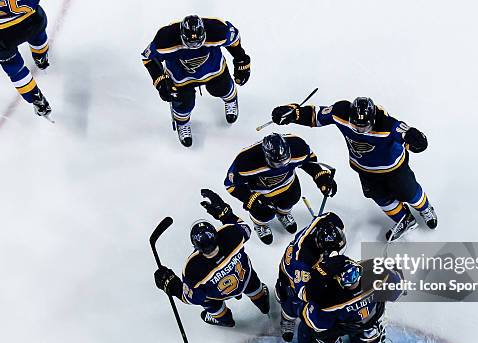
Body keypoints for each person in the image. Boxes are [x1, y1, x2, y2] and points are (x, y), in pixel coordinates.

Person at [271, 97, 437, 240]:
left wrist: (417, 140)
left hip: (394, 168)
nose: (359, 130)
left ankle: (425, 208)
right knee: (380, 197)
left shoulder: (387, 124)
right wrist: (294, 114)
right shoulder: (341, 112)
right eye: (356, 125)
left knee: (409, 192)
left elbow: (410, 137)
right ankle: (405, 219)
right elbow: (316, 115)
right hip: (365, 170)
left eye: (364, 127)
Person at [154, 189, 269, 327]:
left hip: (217, 295)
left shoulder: (193, 268)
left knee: (209, 302)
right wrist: (225, 214)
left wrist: (172, 285)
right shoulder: (231, 235)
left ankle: (226, 321)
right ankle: (263, 304)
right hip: (245, 279)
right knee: (256, 290)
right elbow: (245, 229)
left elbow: (191, 297)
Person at [142, 15, 251, 147]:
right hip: (181, 78)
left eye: (198, 42)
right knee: (184, 104)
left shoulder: (217, 30)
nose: (194, 47)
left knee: (222, 88)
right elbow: (148, 58)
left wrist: (241, 59)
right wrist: (160, 82)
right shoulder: (165, 38)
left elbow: (234, 40)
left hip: (213, 70)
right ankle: (182, 123)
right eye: (190, 44)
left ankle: (231, 100)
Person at [292, 255, 402, 343]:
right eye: (350, 278)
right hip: (370, 319)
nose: (354, 281)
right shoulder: (379, 278)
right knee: (370, 336)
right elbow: (397, 285)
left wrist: (302, 307)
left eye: (356, 274)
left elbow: (315, 323)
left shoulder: (331, 302)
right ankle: (369, 333)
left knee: (305, 329)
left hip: (346, 324)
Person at [224, 133, 337, 244]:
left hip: (289, 185)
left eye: (285, 160)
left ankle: (283, 213)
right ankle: (260, 224)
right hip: (262, 196)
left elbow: (308, 160)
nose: (283, 165)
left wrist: (320, 176)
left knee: (292, 198)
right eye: (278, 163)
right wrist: (250, 198)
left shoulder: (297, 145)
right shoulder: (246, 161)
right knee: (263, 212)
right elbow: (230, 185)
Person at [275, 212, 346, 342]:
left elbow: (329, 215)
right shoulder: (302, 261)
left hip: (304, 262)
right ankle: (287, 318)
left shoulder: (324, 224)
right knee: (293, 300)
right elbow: (304, 293)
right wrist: (325, 271)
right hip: (291, 274)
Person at [0, 0, 51, 117]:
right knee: (38, 27)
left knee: (15, 69)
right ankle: (41, 57)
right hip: (31, 23)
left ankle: (36, 99)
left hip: (3, 39)